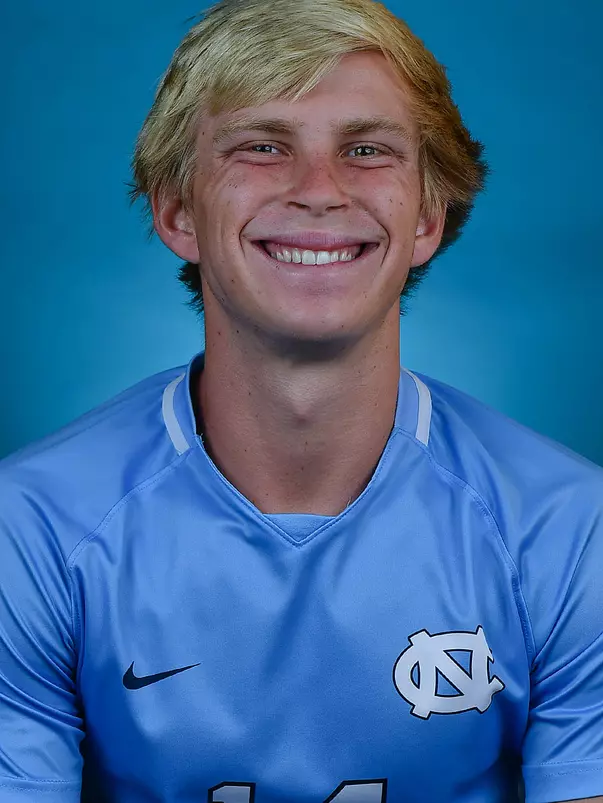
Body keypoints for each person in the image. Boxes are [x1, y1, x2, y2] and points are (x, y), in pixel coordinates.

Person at [0, 0, 601, 800]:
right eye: (262, 145)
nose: (319, 190)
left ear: (427, 215)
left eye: (365, 149)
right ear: (177, 211)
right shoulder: (30, 529)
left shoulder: (569, 529)